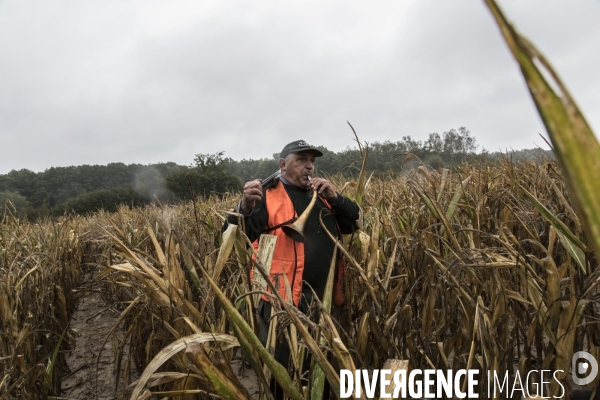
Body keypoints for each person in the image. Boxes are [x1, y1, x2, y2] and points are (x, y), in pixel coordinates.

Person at [223, 139, 360, 397]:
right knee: (282, 372)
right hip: (281, 303)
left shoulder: (322, 196)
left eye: (312, 161)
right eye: (301, 160)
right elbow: (233, 236)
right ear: (283, 164)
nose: (309, 166)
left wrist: (335, 197)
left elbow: (353, 222)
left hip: (323, 302)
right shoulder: (266, 196)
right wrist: (245, 207)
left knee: (323, 369)